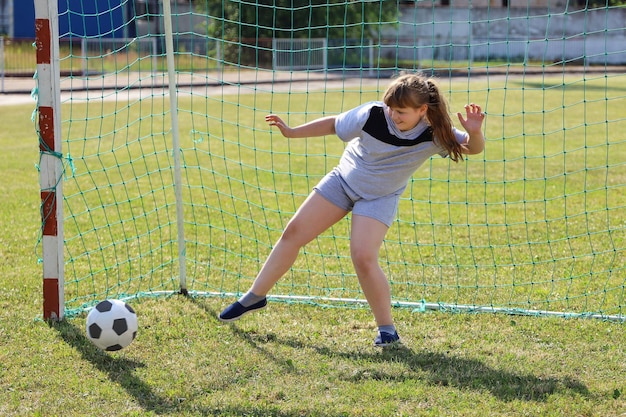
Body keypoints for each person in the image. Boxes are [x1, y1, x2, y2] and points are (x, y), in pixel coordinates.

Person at [218, 72, 486, 347]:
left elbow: (470, 148)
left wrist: (475, 132)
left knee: (363, 257)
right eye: (391, 109)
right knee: (294, 232)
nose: (394, 116)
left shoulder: (434, 132)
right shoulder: (372, 114)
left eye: (402, 112)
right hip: (343, 182)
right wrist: (292, 131)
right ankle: (255, 296)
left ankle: (387, 330)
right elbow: (334, 125)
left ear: (422, 110)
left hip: (379, 197)